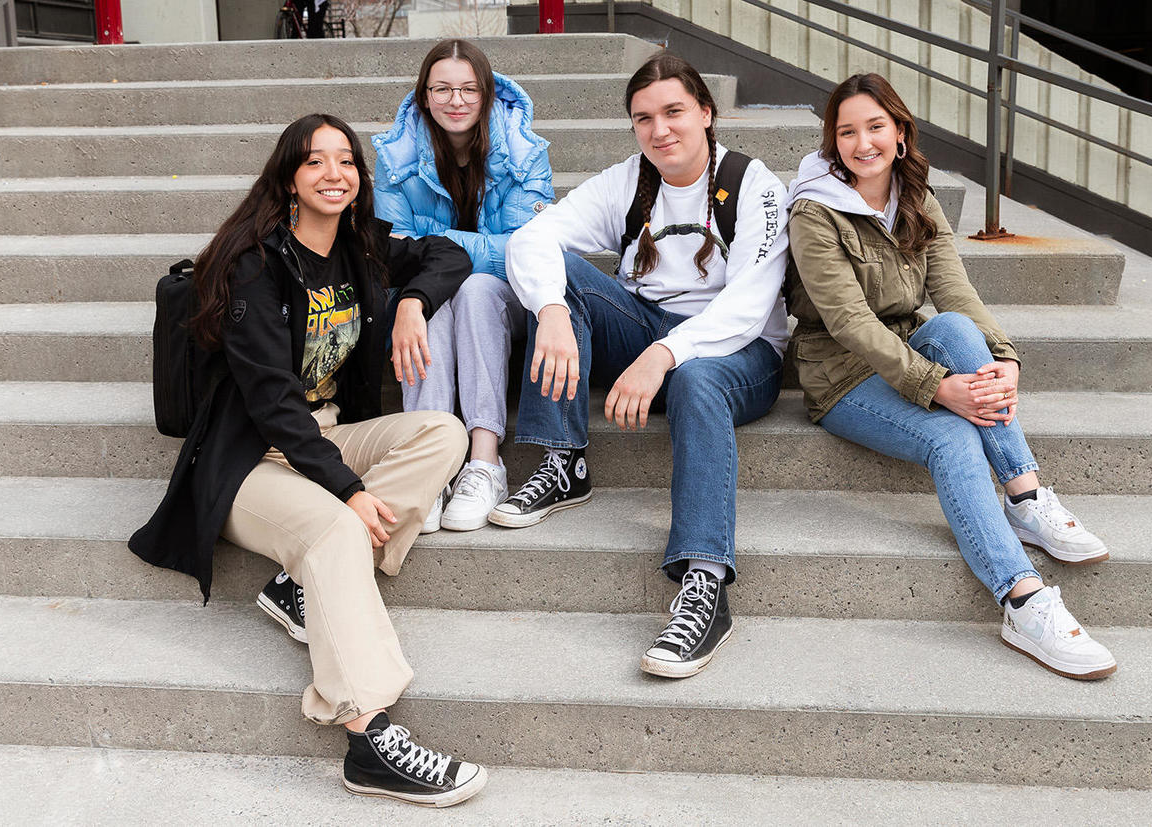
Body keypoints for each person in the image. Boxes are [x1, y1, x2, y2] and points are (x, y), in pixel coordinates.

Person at [128, 114, 489, 805]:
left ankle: (306, 585)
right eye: (316, 161)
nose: (334, 173)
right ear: (289, 177)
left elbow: (450, 255)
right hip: (247, 461)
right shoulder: (253, 265)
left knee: (443, 433)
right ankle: (367, 735)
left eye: (346, 160)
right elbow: (272, 404)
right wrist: (349, 490)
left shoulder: (363, 247)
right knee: (335, 527)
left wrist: (413, 301)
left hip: (323, 439)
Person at [784, 73, 1116, 680]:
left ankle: (1024, 495)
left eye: (876, 127)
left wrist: (1004, 356)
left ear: (901, 133)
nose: (863, 143)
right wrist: (938, 389)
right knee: (953, 436)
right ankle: (1022, 599)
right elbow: (851, 323)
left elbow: (953, 292)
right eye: (847, 131)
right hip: (842, 375)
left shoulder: (916, 198)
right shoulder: (814, 211)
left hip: (912, 347)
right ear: (832, 143)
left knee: (961, 334)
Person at [492, 53, 790, 679]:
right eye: (643, 118)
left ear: (707, 114)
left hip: (737, 357)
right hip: (646, 334)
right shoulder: (630, 182)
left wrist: (664, 354)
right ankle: (562, 460)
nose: (660, 131)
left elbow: (747, 307)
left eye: (674, 112)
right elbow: (531, 239)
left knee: (697, 377)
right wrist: (547, 308)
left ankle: (705, 583)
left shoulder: (755, 185)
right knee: (561, 275)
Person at [372, 38, 555, 532]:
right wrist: (434, 274)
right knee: (434, 298)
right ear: (424, 95)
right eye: (444, 89)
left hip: (504, 298)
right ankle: (429, 466)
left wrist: (442, 249)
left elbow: (524, 251)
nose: (457, 101)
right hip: (427, 297)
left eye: (470, 89)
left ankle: (485, 462)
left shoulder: (524, 154)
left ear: (488, 93)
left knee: (470, 289)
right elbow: (392, 251)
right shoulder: (395, 159)